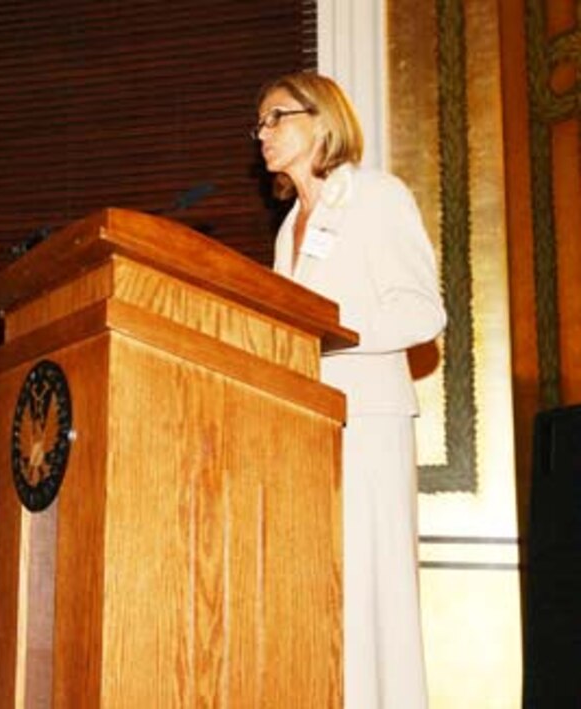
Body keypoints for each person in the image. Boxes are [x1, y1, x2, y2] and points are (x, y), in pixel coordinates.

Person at [254, 71, 447, 709]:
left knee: (372, 597)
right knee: (323, 595)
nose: (263, 134)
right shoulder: (289, 228)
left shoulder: (374, 196)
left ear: (322, 117)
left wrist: (327, 334)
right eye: (258, 125)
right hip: (308, 429)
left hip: (367, 419)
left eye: (275, 117)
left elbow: (423, 314)